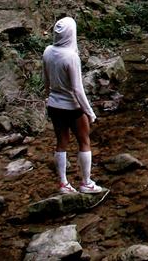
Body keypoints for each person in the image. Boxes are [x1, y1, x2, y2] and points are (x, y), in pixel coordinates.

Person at [42, 16, 103, 194]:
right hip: (73, 107)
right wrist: (89, 111)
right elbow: (77, 89)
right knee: (84, 141)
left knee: (61, 142)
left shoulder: (47, 51)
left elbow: (46, 80)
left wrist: (49, 98)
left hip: (54, 105)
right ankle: (86, 183)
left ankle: (63, 184)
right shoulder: (71, 57)